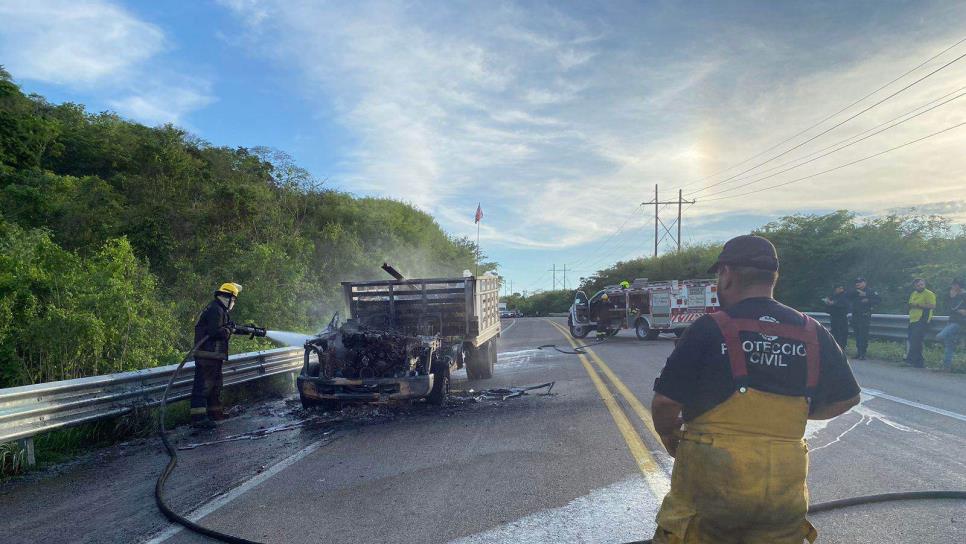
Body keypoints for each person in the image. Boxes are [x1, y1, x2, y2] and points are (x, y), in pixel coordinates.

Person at [650, 235, 860, 544]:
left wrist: (668, 435)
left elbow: (666, 402)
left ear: (727, 273)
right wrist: (788, 416)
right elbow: (849, 398)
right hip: (781, 496)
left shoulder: (709, 328)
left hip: (712, 492)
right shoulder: (813, 330)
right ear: (774, 277)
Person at [191, 282, 242, 429]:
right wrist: (228, 330)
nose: (233, 303)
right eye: (233, 300)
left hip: (213, 356)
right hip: (207, 355)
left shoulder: (218, 309)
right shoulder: (216, 310)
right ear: (228, 297)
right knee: (203, 387)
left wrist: (230, 327)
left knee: (215, 386)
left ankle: (215, 414)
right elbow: (215, 332)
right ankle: (198, 419)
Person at [905, 279, 936, 368]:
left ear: (924, 284)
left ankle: (918, 361)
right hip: (913, 319)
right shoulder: (913, 293)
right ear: (915, 286)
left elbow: (932, 306)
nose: (920, 286)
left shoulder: (929, 293)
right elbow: (910, 303)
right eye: (918, 285)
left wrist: (918, 305)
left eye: (922, 284)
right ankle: (913, 360)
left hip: (922, 319)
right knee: (912, 339)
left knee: (916, 340)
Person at [847, 277, 879, 360]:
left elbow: (878, 300)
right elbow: (847, 295)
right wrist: (855, 291)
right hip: (855, 315)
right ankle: (858, 352)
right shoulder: (854, 291)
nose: (858, 284)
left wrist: (867, 298)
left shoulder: (870, 291)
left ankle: (863, 353)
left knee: (863, 335)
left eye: (860, 282)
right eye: (856, 282)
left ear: (865, 283)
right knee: (857, 334)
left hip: (865, 315)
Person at [937, 279, 965, 371]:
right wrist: (951, 298)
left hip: (959, 323)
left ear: (958, 286)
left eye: (953, 285)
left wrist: (953, 298)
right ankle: (947, 367)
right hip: (951, 321)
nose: (952, 287)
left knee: (940, 336)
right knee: (949, 346)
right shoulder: (952, 295)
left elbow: (954, 308)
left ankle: (958, 341)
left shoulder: (963, 295)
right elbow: (949, 307)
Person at [822, 284, 850, 349]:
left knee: (843, 333)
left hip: (842, 317)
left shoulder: (845, 296)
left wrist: (834, 303)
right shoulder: (832, 296)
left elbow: (845, 305)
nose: (840, 289)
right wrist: (828, 304)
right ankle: (835, 347)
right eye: (839, 288)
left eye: (841, 288)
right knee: (835, 333)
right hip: (834, 317)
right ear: (835, 289)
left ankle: (842, 347)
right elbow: (827, 309)